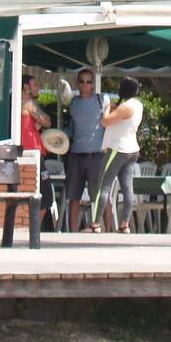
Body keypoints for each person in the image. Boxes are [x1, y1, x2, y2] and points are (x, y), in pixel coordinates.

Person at [60, 68, 107, 232]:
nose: (85, 85)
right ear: (77, 83)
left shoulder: (102, 100)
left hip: (97, 155)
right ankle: (72, 231)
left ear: (93, 84)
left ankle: (107, 230)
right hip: (76, 155)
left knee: (100, 195)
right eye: (82, 81)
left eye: (88, 81)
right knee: (74, 196)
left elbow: (111, 124)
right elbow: (71, 129)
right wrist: (59, 139)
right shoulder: (74, 103)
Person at [99, 75, 145, 234]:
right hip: (132, 149)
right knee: (127, 188)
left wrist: (106, 107)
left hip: (118, 149)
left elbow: (105, 122)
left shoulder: (125, 107)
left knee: (103, 186)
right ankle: (125, 223)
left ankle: (95, 224)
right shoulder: (138, 105)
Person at [18, 71, 46, 154]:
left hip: (33, 148)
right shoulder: (27, 104)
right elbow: (46, 122)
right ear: (26, 87)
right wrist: (41, 121)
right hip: (30, 149)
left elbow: (47, 120)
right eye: (35, 85)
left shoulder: (31, 103)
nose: (37, 88)